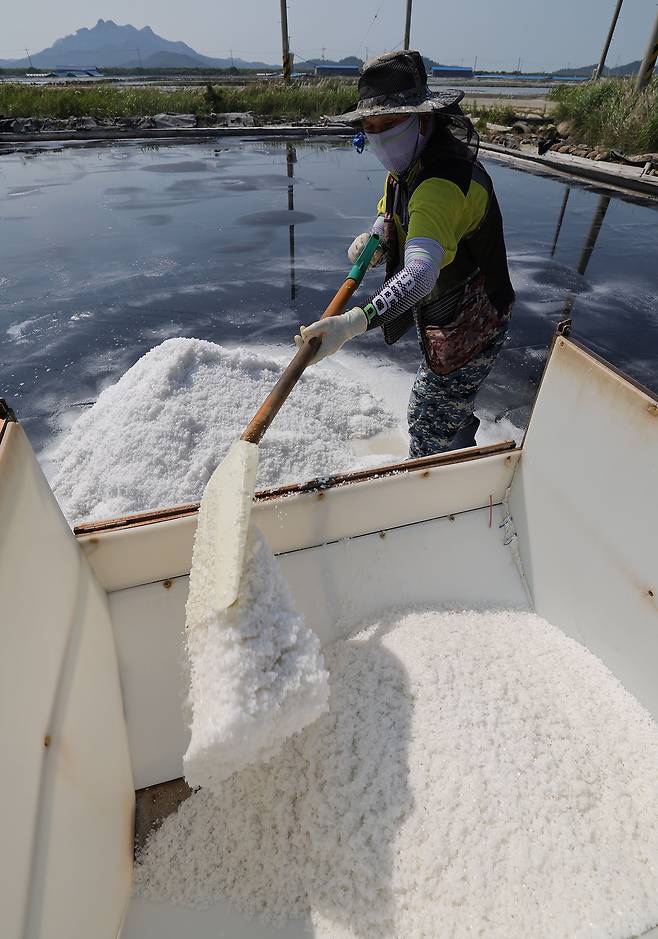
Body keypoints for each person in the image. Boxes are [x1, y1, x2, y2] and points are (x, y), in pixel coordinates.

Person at [294, 50, 515, 457]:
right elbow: (391, 206)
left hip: (471, 318)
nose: (379, 136)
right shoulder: (407, 164)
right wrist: (377, 236)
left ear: (423, 118)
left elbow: (419, 274)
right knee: (447, 400)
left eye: (390, 123)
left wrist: (351, 324)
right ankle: (460, 434)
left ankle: (439, 488)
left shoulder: (441, 185)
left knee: (427, 421)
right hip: (442, 311)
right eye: (370, 126)